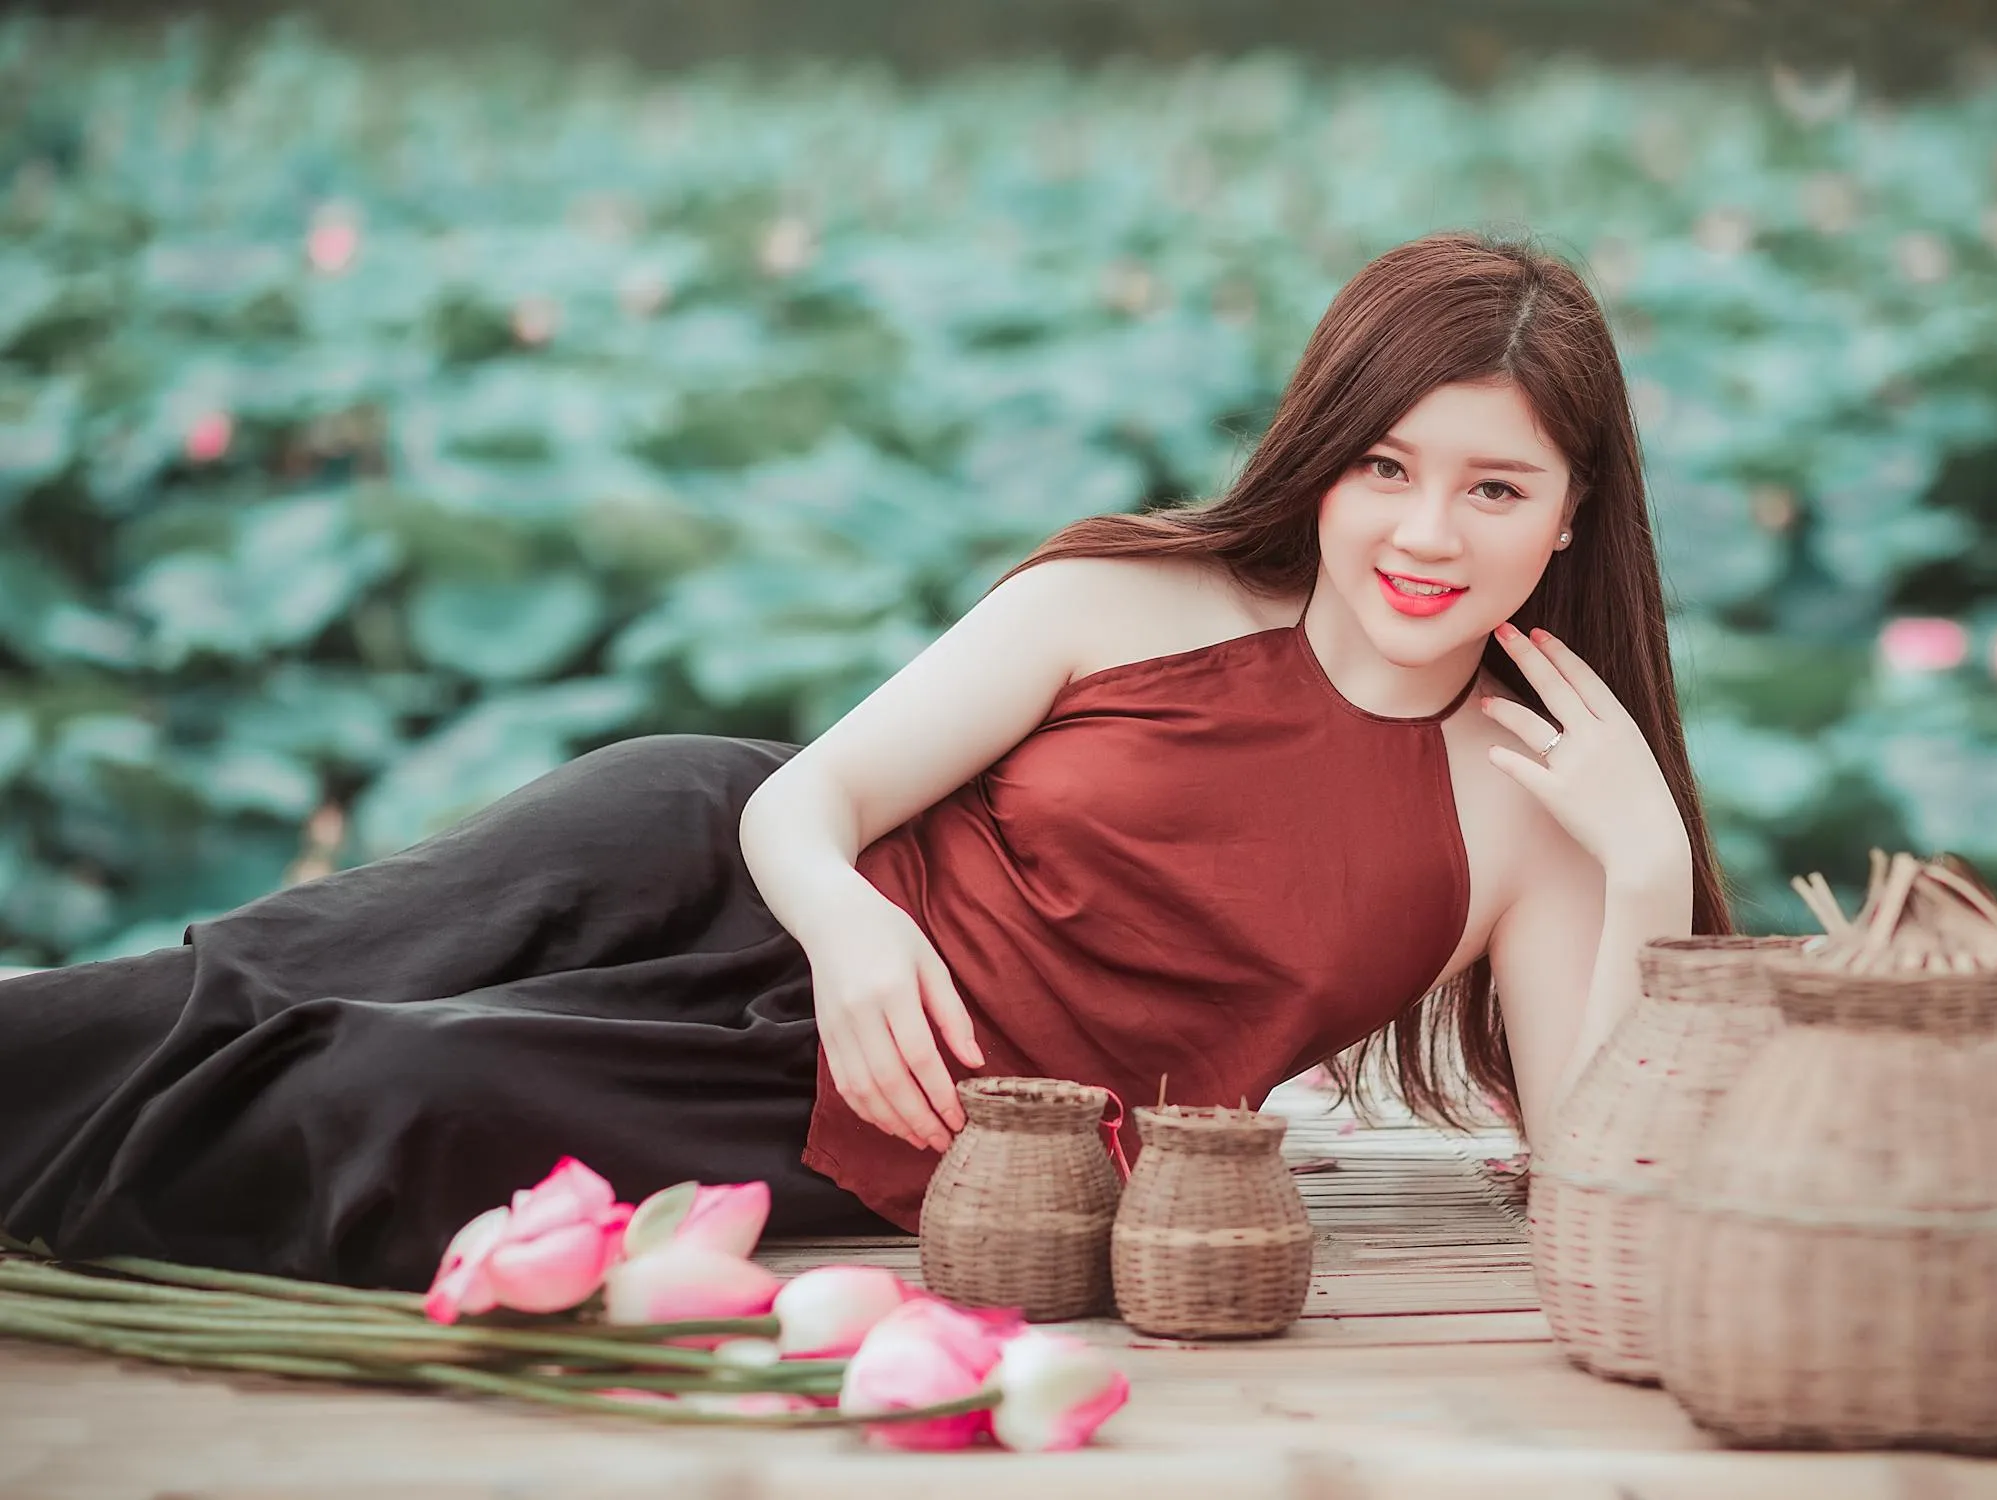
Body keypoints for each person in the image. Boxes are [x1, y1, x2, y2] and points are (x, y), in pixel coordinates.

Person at [0, 230, 1728, 1290]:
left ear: (1572, 514)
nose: (1426, 533)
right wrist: (846, 929)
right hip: (734, 871)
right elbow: (803, 799)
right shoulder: (1137, 597)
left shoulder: (1537, 805)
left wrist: (1643, 863)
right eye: (1384, 468)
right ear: (1324, 461)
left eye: (1494, 488)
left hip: (916, 1118)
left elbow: (1596, 1190)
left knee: (385, 1098)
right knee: (254, 977)